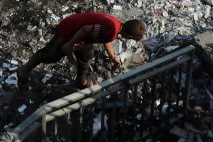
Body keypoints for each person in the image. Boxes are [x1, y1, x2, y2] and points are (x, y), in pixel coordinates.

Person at [17, 11, 147, 89]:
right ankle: (24, 70)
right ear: (129, 35)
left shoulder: (116, 26)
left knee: (86, 58)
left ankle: (81, 81)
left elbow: (105, 39)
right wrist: (70, 45)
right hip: (70, 31)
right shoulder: (112, 29)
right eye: (131, 39)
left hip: (84, 38)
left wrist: (113, 57)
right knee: (50, 55)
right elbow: (85, 29)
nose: (128, 40)